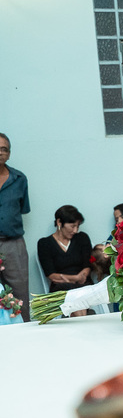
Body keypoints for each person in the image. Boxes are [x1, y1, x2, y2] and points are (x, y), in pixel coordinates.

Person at [37, 206, 94, 311]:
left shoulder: (82, 238)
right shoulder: (44, 243)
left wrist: (71, 278)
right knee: (72, 293)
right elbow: (51, 275)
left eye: (78, 226)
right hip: (61, 287)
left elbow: (87, 266)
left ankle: (79, 321)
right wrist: (76, 278)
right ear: (59, 222)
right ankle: (83, 319)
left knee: (77, 293)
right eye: (72, 226)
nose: (75, 231)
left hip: (84, 284)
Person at [0, 133, 31, 321]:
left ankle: (25, 335)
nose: (0, 153)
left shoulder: (19, 179)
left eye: (4, 149)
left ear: (9, 154)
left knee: (19, 293)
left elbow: (23, 208)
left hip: (13, 244)